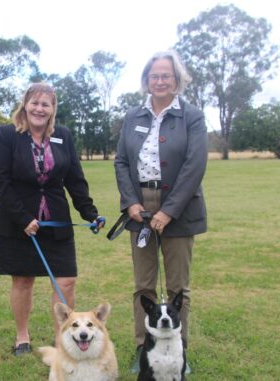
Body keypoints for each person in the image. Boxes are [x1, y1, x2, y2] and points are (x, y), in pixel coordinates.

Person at [0, 82, 104, 356]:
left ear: (53, 109)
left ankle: (61, 339)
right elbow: (0, 179)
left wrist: (90, 212)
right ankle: (22, 337)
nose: (39, 109)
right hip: (18, 224)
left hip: (56, 221)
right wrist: (22, 218)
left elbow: (75, 179)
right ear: (25, 105)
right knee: (23, 281)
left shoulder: (62, 136)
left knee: (66, 280)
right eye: (35, 103)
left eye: (46, 104)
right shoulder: (8, 135)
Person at [113, 50, 208, 370]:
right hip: (140, 206)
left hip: (179, 208)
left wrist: (168, 211)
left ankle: (179, 353)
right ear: (146, 80)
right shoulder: (132, 116)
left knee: (178, 287)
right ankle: (145, 350)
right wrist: (131, 201)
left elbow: (195, 165)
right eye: (154, 76)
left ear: (177, 79)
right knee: (143, 285)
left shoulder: (191, 116)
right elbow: (122, 162)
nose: (160, 80)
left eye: (166, 75)